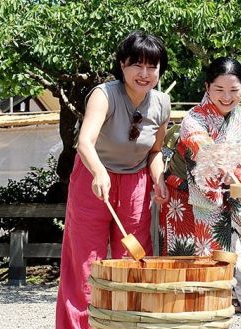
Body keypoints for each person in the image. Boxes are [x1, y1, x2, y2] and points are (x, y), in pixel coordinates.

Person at [56, 30, 170, 329]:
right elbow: (84, 142)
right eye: (137, 65)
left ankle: (125, 324)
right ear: (122, 64)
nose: (144, 74)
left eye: (152, 67)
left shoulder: (162, 103)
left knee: (131, 261)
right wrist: (100, 172)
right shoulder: (103, 94)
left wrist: (158, 179)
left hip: (135, 183)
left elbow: (155, 151)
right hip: (92, 177)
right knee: (85, 262)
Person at [159, 57, 241, 314]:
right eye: (219, 90)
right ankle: (190, 305)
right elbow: (202, 147)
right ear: (207, 87)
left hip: (232, 193)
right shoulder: (194, 117)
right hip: (186, 195)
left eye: (234, 90)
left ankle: (233, 299)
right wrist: (227, 170)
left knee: (232, 245)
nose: (227, 97)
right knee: (190, 250)